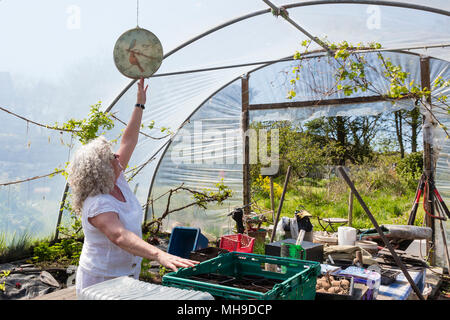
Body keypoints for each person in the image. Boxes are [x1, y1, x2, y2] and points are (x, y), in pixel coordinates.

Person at [67, 78, 198, 297]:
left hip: (126, 276)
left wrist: (140, 104)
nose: (118, 157)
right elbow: (119, 236)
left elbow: (128, 141)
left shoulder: (115, 179)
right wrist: (158, 255)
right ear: (102, 169)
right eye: (112, 157)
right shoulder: (98, 203)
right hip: (101, 282)